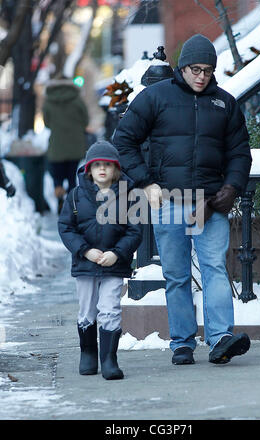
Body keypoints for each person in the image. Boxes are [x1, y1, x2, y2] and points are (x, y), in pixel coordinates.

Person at [113, 34, 252, 365]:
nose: (201, 76)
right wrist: (145, 183)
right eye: (194, 69)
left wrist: (231, 188)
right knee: (176, 274)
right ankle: (182, 343)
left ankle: (220, 339)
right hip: (170, 201)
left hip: (209, 203)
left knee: (215, 267)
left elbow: (239, 153)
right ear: (182, 67)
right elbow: (123, 140)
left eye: (207, 70)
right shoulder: (155, 97)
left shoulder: (225, 103)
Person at [58, 141, 142, 380]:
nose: (102, 169)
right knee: (86, 309)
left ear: (115, 169)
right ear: (89, 169)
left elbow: (135, 231)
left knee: (110, 308)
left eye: (107, 165)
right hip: (85, 264)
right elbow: (66, 227)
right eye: (97, 166)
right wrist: (84, 250)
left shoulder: (128, 196)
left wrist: (117, 253)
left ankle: (109, 359)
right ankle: (88, 353)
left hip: (114, 264)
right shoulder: (75, 196)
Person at [43, 76, 89, 213]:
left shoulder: (48, 102)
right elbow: (85, 121)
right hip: (75, 144)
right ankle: (72, 205)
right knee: (71, 177)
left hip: (57, 146)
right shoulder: (77, 100)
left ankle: (59, 201)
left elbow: (46, 123)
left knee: (57, 176)